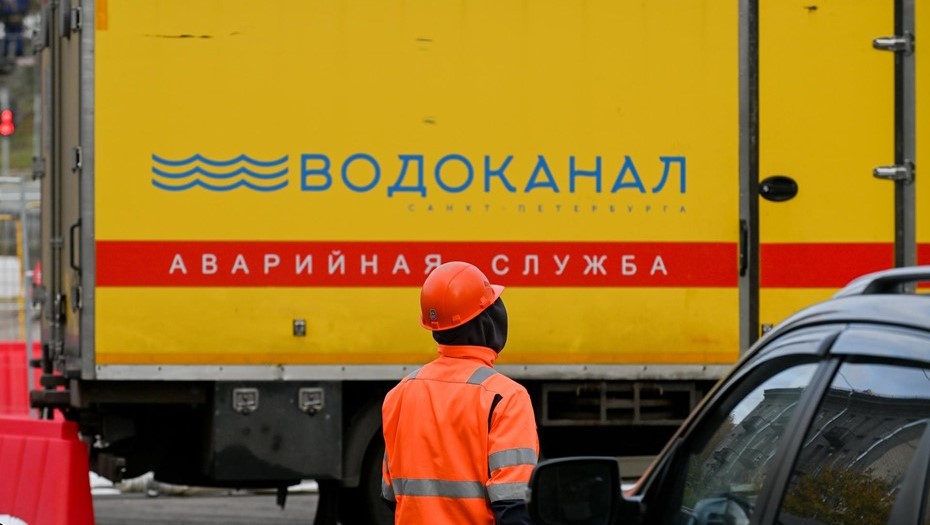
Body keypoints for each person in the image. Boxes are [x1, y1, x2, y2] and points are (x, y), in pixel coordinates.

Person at [381, 261, 539, 525]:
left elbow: (390, 495)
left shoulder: (398, 395)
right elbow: (514, 507)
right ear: (486, 322)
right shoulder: (505, 398)